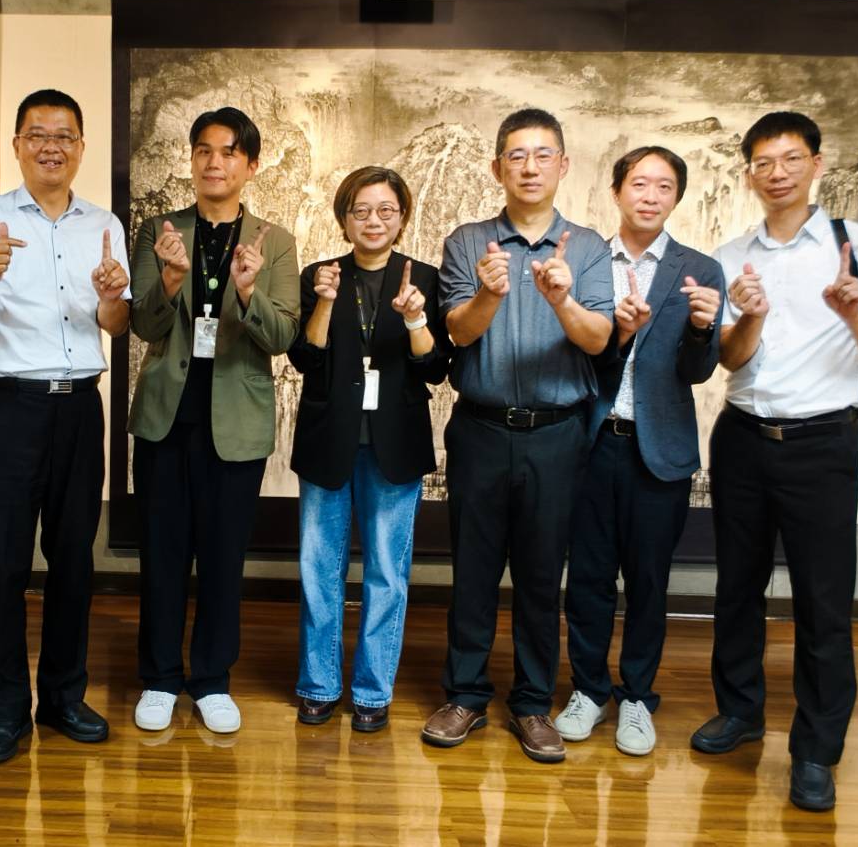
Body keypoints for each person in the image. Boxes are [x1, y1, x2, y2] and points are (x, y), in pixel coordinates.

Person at [694, 111, 858, 811]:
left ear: (816, 164)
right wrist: (749, 317)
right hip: (742, 437)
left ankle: (816, 750)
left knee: (823, 602)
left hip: (823, 443)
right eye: (763, 162)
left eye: (790, 159)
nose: (777, 173)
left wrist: (852, 313)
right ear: (748, 174)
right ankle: (740, 710)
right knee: (737, 588)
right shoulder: (730, 254)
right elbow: (727, 360)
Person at [422, 107, 614, 764]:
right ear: (496, 167)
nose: (529, 167)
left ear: (563, 165)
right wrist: (489, 294)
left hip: (557, 435)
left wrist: (562, 300)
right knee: (473, 570)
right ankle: (465, 696)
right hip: (480, 429)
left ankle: (532, 704)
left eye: (542, 155)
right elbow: (457, 332)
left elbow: (598, 339)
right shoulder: (468, 241)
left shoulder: (587, 247)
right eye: (516, 155)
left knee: (540, 574)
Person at [0, 89, 131, 765]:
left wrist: (110, 298)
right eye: (38, 134)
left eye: (64, 135)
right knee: (3, 563)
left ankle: (62, 697)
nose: (51, 146)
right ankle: (4, 710)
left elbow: (116, 326)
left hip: (79, 406)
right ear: (18, 145)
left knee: (74, 559)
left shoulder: (103, 224)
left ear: (80, 147)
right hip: (8, 407)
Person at [127, 106, 300, 736]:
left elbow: (282, 337)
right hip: (165, 419)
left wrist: (250, 292)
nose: (214, 162)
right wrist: (172, 279)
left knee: (224, 558)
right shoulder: (159, 230)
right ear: (192, 159)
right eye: (203, 150)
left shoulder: (275, 241)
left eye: (228, 152)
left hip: (236, 421)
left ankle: (211, 680)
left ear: (250, 165)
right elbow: (143, 325)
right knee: (162, 554)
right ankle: (158, 677)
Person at [551, 146, 724, 756]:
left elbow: (698, 372)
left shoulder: (699, 268)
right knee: (589, 578)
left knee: (649, 582)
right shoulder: (589, 261)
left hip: (660, 452)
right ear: (617, 191)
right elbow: (578, 356)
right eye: (640, 184)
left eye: (664, 186)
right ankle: (588, 690)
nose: (650, 196)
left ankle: (637, 698)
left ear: (677, 197)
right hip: (592, 444)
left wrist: (702, 329)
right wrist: (621, 335)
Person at [287, 166, 449, 733]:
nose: (373, 221)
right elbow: (304, 359)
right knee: (319, 571)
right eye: (361, 210)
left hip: (395, 446)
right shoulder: (320, 275)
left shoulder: (425, 277)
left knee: (387, 573)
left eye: (385, 210)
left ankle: (373, 692)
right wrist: (324, 303)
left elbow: (436, 369)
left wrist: (415, 319)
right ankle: (318, 685)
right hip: (328, 442)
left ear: (401, 217)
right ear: (344, 218)